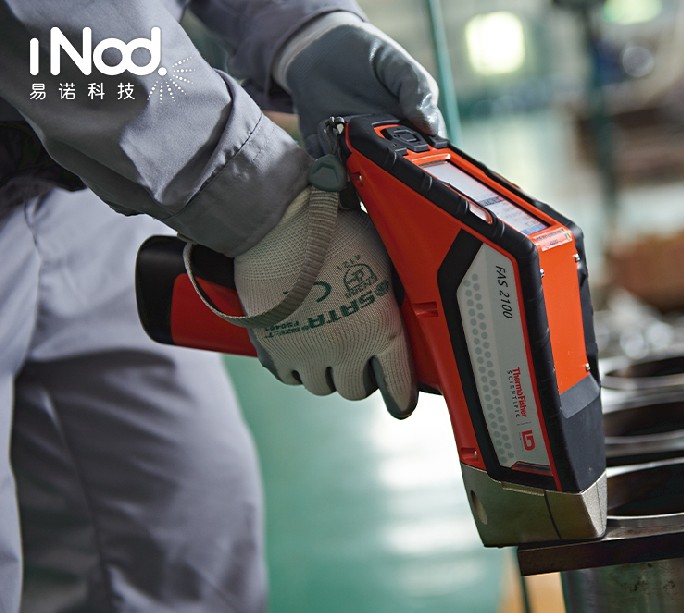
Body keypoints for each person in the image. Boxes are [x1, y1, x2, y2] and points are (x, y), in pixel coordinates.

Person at [0, 0, 443, 610]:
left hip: (80, 178)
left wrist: (301, 25)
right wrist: (261, 206)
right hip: (105, 108)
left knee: (186, 540)